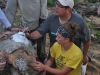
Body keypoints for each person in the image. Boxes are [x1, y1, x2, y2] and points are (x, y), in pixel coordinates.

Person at [25, 0, 91, 65]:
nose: (56, 7)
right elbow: (39, 32)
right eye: (57, 4)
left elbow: (87, 40)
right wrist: (29, 35)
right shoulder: (52, 18)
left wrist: (84, 55)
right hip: (53, 57)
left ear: (68, 9)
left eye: (60, 6)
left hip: (71, 58)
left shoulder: (79, 21)